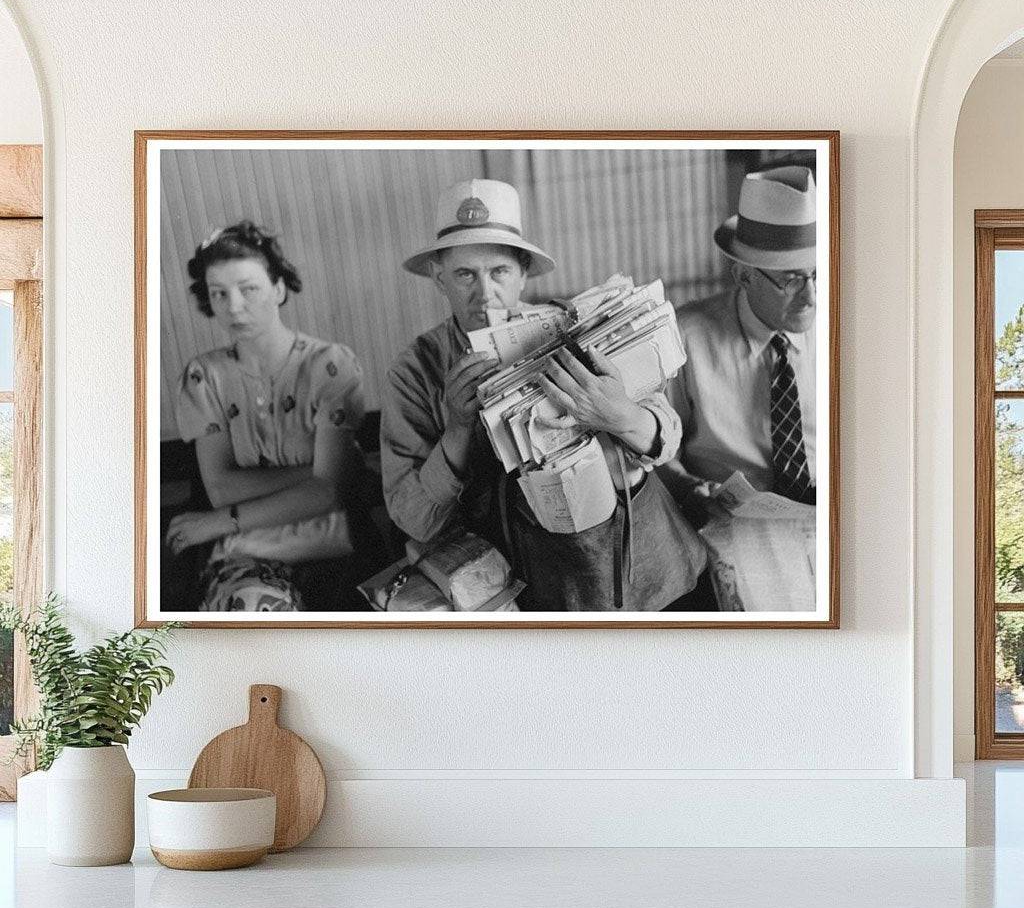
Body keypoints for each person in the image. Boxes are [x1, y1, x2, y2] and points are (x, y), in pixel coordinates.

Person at [381, 178, 705, 610]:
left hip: (626, 561)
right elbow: (416, 520)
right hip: (509, 579)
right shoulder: (415, 370)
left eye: (499, 272)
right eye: (464, 275)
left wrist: (620, 416)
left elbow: (668, 436)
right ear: (439, 279)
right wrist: (458, 431)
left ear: (523, 275)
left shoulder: (577, 329)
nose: (485, 293)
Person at [166, 221, 376, 612]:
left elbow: (329, 492)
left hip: (329, 542)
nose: (234, 306)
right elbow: (221, 489)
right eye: (219, 294)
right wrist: (324, 469)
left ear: (278, 289)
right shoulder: (204, 375)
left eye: (248, 289)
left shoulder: (330, 364)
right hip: (246, 551)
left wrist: (219, 522)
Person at [659, 165, 819, 527]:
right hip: (728, 521)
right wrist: (688, 488)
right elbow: (660, 445)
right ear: (743, 276)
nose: (810, 296)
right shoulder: (686, 337)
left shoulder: (844, 325)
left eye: (816, 274)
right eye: (791, 280)